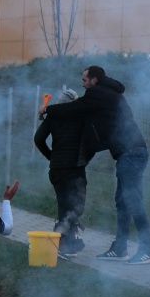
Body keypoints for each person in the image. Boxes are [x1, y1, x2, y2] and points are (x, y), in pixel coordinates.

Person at [43, 65, 150, 265]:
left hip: (131, 153)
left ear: (94, 80)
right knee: (123, 203)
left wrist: (47, 109)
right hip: (128, 154)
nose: (82, 84)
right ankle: (120, 248)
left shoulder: (99, 93)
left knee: (133, 201)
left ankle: (147, 250)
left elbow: (73, 107)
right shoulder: (108, 93)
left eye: (84, 80)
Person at [33, 87, 89, 257]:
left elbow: (38, 139)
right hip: (75, 167)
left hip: (58, 168)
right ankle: (65, 244)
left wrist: (51, 156)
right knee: (75, 205)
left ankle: (67, 241)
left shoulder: (53, 116)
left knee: (64, 204)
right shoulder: (82, 117)